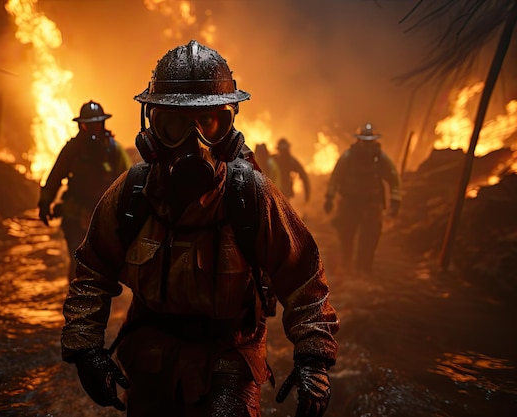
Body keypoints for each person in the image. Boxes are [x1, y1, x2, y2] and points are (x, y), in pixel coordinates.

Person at [60, 40, 339, 417]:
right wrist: (86, 348)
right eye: (174, 125)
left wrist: (314, 359)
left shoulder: (251, 196)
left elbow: (304, 278)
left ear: (229, 128)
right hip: (151, 357)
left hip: (230, 355)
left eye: (210, 122)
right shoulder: (132, 194)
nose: (194, 143)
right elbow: (92, 272)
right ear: (152, 129)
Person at [38, 100, 132, 280]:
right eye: (88, 125)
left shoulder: (113, 149)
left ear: (102, 123)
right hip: (76, 215)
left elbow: (128, 182)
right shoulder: (72, 150)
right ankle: (77, 300)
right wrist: (44, 202)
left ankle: (107, 300)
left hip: (105, 217)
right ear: (81, 126)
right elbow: (55, 177)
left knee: (106, 262)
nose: (93, 129)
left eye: (96, 124)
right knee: (78, 260)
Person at [323, 122, 401, 274]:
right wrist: (329, 197)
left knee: (370, 238)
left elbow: (394, 179)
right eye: (364, 141)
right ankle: (346, 264)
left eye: (369, 141)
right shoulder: (348, 157)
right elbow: (336, 178)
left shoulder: (380, 158)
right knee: (346, 235)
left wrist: (396, 200)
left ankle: (363, 269)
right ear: (358, 140)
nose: (367, 145)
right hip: (349, 203)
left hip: (372, 204)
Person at [273, 137, 311, 203]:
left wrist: (307, 196)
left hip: (285, 193)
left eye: (285, 151)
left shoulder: (291, 162)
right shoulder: (273, 161)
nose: (284, 153)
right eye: (282, 151)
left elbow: (304, 177)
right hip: (272, 192)